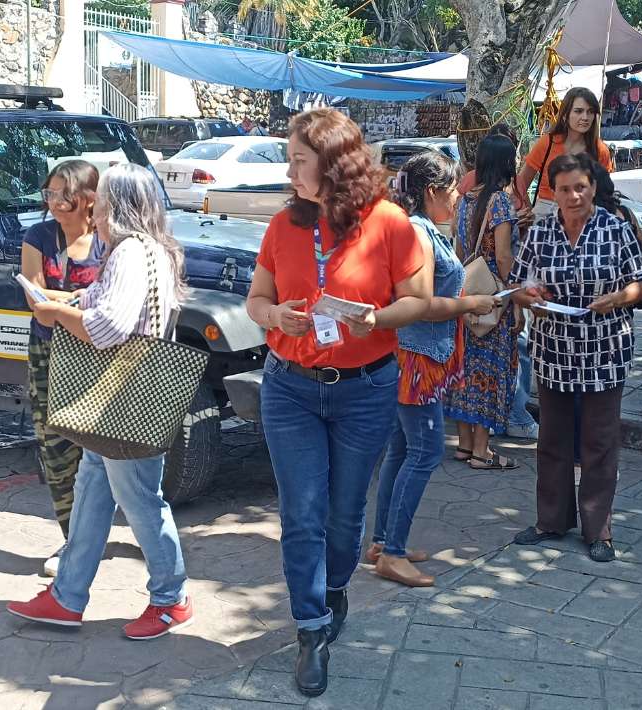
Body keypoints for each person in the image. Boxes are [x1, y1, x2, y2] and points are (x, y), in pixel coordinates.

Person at [245, 108, 430, 697]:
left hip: (366, 391)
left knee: (344, 519)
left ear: (331, 162)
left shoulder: (391, 223)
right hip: (290, 388)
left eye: (298, 159)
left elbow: (418, 301)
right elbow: (257, 298)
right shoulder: (283, 225)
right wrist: (275, 316)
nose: (290, 169)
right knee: (301, 514)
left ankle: (335, 587)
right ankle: (310, 629)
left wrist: (377, 316)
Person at [7, 164, 193, 640]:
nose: (99, 212)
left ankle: (171, 598)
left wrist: (55, 312)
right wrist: (76, 300)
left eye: (105, 203)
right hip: (122, 397)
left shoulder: (130, 252)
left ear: (120, 207)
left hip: (124, 398)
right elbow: (107, 302)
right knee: (93, 490)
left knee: (140, 501)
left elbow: (109, 328)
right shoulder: (153, 249)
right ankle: (67, 596)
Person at [509, 153, 642, 563]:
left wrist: (618, 298)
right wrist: (529, 296)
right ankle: (551, 520)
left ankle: (598, 528)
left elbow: (640, 283)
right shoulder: (540, 233)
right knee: (552, 438)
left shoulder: (615, 227)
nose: (574, 196)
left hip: (604, 348)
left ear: (593, 187)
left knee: (599, 441)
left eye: (581, 187)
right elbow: (518, 283)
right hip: (553, 349)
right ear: (554, 190)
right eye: (565, 189)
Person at [368, 151, 499, 589]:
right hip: (416, 357)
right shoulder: (419, 234)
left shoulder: (423, 230)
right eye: (453, 190)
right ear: (431, 192)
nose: (459, 197)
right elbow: (420, 306)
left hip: (419, 354)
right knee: (423, 451)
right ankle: (392, 552)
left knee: (404, 449)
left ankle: (384, 542)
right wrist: (471, 303)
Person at [20, 160, 107, 577]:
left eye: (63, 194)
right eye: (49, 194)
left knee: (111, 451)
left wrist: (62, 301)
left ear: (89, 198)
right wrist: (77, 299)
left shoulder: (108, 238)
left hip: (100, 356)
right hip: (49, 353)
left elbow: (114, 299)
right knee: (56, 449)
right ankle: (74, 542)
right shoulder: (39, 235)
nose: (54, 203)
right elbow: (36, 299)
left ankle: (141, 532)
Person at [445, 134, 523, 470]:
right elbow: (504, 256)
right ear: (506, 162)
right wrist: (515, 296)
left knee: (466, 369)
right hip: (493, 297)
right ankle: (482, 451)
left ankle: (463, 446)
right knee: (491, 370)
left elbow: (460, 252)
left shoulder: (463, 201)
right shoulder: (501, 203)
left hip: (467, 292)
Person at [514, 87, 615, 218]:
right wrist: (529, 212)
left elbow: (605, 192)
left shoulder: (600, 150)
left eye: (590, 112)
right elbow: (520, 184)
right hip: (546, 213)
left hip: (585, 216)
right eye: (578, 111)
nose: (585, 117)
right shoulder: (547, 143)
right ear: (565, 114)